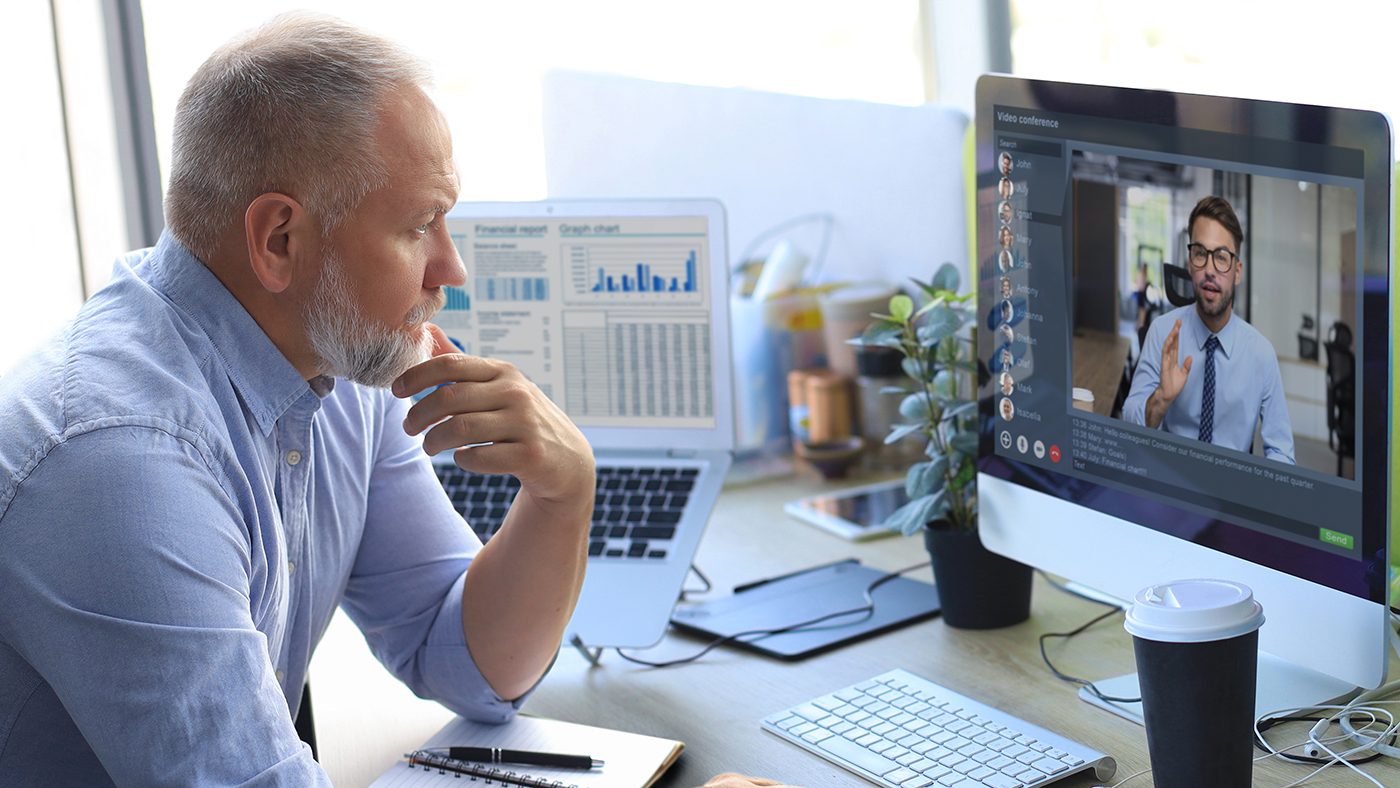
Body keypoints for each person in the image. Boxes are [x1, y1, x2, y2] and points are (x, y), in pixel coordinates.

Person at [0, 15, 785, 786]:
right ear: (280, 239)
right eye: (419, 226)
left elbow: (471, 665)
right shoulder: (117, 463)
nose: (452, 268)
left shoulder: (331, 357)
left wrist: (563, 491)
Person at [1122, 196, 1294, 463]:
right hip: (1171, 479)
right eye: (1201, 254)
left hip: (1232, 492)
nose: (1210, 270)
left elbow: (1282, 453)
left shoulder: (1261, 355)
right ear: (1190, 263)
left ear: (1237, 272)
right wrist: (1160, 400)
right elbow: (1129, 421)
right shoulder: (1162, 333)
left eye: (1222, 258)